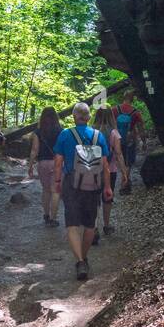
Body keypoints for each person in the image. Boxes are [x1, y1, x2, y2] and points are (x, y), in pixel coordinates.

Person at [52, 102, 112, 280]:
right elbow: (105, 165)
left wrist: (57, 181)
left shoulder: (65, 134)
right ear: (88, 117)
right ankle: (84, 257)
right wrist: (107, 187)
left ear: (74, 117)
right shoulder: (98, 135)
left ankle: (79, 261)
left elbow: (58, 161)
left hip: (72, 183)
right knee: (90, 225)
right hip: (93, 183)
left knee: (72, 224)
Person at [93, 106, 127, 239]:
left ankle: (94, 228)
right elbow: (118, 153)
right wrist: (124, 172)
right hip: (110, 169)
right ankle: (106, 226)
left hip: (92, 169)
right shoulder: (114, 133)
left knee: (94, 198)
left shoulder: (91, 131)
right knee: (107, 197)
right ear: (111, 116)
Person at [28, 106, 62, 226]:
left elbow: (34, 150)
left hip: (42, 163)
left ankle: (46, 215)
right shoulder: (61, 131)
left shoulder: (38, 132)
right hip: (57, 163)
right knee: (55, 191)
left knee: (46, 190)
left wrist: (30, 165)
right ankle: (53, 219)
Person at [115, 97, 145, 195]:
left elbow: (109, 125)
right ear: (133, 99)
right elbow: (141, 128)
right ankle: (125, 184)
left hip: (117, 139)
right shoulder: (136, 112)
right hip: (130, 139)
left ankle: (124, 182)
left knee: (121, 160)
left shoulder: (114, 110)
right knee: (128, 162)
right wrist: (144, 142)